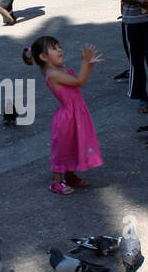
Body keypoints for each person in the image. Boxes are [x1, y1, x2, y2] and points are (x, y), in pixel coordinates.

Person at [23, 36, 103, 195]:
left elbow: (79, 81)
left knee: (75, 145)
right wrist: (85, 62)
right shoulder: (53, 74)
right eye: (54, 48)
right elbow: (79, 81)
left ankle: (70, 175)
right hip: (67, 118)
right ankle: (56, 181)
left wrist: (89, 66)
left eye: (59, 46)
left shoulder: (60, 69)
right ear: (43, 57)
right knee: (63, 150)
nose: (60, 50)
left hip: (76, 115)